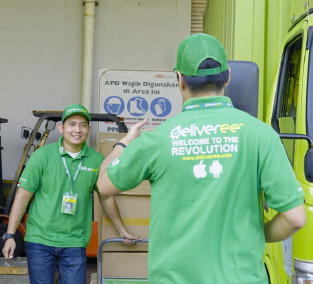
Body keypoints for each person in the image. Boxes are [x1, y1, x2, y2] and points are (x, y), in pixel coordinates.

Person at [96, 34, 306, 283]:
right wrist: (256, 233)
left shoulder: (157, 139)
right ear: (227, 75)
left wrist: (124, 143)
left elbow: (104, 184)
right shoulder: (261, 135)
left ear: (179, 80)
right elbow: (295, 217)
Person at [2, 103, 141, 284]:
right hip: (40, 241)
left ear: (89, 129)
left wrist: (122, 230)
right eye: (72, 124)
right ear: (61, 128)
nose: (78, 130)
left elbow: (106, 197)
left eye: (83, 125)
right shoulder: (42, 156)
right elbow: (22, 196)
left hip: (74, 241)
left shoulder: (96, 159)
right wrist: (10, 235)